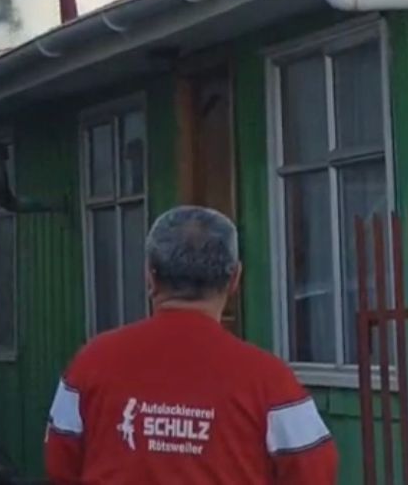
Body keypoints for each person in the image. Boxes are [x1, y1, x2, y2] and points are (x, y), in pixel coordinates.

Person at [44, 206, 338, 485]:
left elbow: (60, 464)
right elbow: (314, 471)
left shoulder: (91, 363)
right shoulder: (269, 380)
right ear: (235, 278)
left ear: (150, 276)